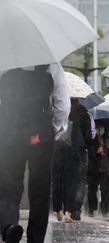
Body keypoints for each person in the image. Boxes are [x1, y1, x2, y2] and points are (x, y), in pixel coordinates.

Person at [0, 64, 70, 243]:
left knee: (8, 187)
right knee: (40, 188)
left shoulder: (5, 56)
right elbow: (62, 103)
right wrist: (53, 130)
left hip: (10, 133)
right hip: (40, 135)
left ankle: (9, 227)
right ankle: (36, 237)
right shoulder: (51, 61)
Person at [68, 99, 93, 221]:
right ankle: (76, 209)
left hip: (67, 150)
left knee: (69, 178)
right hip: (81, 150)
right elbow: (88, 136)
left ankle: (68, 207)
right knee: (81, 180)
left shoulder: (65, 113)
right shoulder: (85, 115)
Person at [87, 120, 109, 218]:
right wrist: (96, 151)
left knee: (105, 189)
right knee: (92, 188)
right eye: (98, 127)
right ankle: (91, 209)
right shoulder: (91, 138)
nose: (100, 129)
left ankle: (105, 210)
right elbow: (89, 152)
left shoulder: (107, 138)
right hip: (94, 167)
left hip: (105, 167)